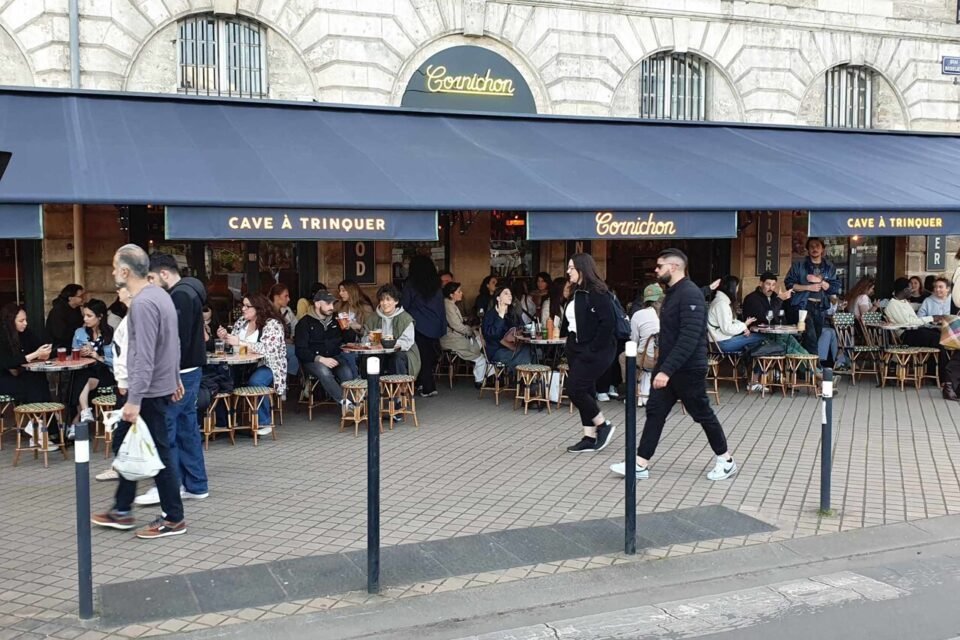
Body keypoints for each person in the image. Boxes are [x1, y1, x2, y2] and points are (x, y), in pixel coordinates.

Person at [611, 248, 737, 482]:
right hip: (670, 366)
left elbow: (689, 337)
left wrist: (666, 370)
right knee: (655, 412)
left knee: (702, 413)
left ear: (675, 267)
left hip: (687, 369)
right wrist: (663, 368)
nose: (656, 270)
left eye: (660, 266)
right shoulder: (676, 293)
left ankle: (726, 460)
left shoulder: (688, 294)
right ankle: (640, 463)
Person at [92, 244, 186, 539]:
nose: (111, 272)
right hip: (157, 386)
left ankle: (173, 518)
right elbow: (172, 343)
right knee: (135, 446)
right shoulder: (160, 295)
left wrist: (133, 399)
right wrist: (174, 379)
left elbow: (144, 355)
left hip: (147, 391)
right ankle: (122, 509)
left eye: (113, 267)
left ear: (124, 271)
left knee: (157, 453)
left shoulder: (143, 303)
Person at [130, 253, 209, 506]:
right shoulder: (191, 291)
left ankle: (168, 486)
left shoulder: (179, 296)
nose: (149, 285)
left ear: (164, 274)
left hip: (179, 372)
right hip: (191, 369)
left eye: (151, 278)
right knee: (187, 430)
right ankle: (196, 485)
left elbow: (176, 341)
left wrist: (172, 375)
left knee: (167, 432)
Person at [561, 253, 618, 453]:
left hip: (594, 350)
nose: (568, 271)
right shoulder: (578, 290)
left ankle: (603, 425)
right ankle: (589, 436)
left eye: (571, 268)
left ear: (582, 269)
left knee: (574, 389)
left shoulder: (597, 291)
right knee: (585, 391)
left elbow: (608, 323)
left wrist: (593, 348)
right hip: (577, 348)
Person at [217, 294, 287, 436]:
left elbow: (269, 349)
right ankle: (227, 422)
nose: (243, 309)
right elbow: (235, 346)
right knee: (223, 378)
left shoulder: (272, 324)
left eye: (247, 306)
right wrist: (225, 338)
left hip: (268, 365)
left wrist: (240, 342)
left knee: (256, 381)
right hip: (242, 364)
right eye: (242, 305)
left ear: (258, 308)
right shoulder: (241, 322)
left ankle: (263, 421)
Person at [0, 303, 57, 450]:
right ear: (10, 321)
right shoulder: (2, 336)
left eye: (25, 320)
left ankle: (40, 430)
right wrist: (34, 355)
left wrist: (46, 351)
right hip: (3, 379)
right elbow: (7, 362)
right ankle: (38, 431)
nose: (25, 323)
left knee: (39, 381)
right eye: (21, 320)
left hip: (20, 376)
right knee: (33, 386)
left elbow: (39, 346)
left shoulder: (26, 333)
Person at [295, 290, 356, 409]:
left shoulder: (336, 320)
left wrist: (347, 328)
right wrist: (320, 359)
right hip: (313, 360)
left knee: (347, 373)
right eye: (328, 304)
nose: (331, 307)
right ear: (317, 304)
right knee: (324, 372)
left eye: (333, 304)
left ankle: (351, 409)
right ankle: (347, 405)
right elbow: (300, 350)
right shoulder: (304, 323)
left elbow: (349, 340)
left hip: (335, 357)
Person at [95, 284, 132, 482]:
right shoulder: (130, 318)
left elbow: (127, 353)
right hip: (129, 382)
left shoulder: (136, 318)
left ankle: (120, 467)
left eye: (121, 287)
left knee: (125, 427)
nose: (117, 290)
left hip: (133, 383)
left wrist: (124, 380)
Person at [784, 237, 841, 355]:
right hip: (803, 306)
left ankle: (804, 368)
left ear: (823, 250)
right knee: (811, 338)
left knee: (815, 337)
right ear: (808, 250)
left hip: (821, 306)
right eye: (811, 247)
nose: (815, 249)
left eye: (817, 246)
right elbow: (789, 284)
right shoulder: (799, 265)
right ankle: (815, 369)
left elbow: (834, 288)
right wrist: (808, 287)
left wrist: (820, 281)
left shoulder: (829, 267)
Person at [400, 256, 445, 398]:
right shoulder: (436, 284)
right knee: (429, 357)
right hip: (435, 325)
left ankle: (428, 387)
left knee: (421, 357)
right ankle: (424, 384)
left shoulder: (411, 284)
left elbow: (404, 305)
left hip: (418, 324)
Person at [70, 299, 115, 435]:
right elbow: (73, 356)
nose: (85, 319)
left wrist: (97, 356)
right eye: (84, 315)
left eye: (89, 316)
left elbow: (116, 361)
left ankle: (76, 422)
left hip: (105, 371)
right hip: (85, 371)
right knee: (81, 376)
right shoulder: (80, 332)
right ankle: (84, 412)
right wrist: (80, 353)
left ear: (100, 316)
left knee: (78, 381)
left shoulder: (111, 333)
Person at [365, 284, 421, 383]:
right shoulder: (372, 318)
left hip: (403, 352)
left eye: (388, 299)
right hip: (379, 352)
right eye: (382, 300)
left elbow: (407, 342)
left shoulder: (405, 318)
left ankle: (400, 391)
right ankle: (372, 390)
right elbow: (363, 339)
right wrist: (368, 339)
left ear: (396, 301)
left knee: (396, 358)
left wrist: (389, 342)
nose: (384, 303)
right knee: (371, 358)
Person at [619, 284, 662, 406]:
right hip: (665, 359)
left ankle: (631, 392)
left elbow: (633, 340)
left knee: (623, 357)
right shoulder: (667, 314)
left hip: (646, 359)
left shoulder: (638, 315)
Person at [440, 281, 488, 388]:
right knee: (481, 354)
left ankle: (483, 376)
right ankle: (480, 380)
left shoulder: (450, 304)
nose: (461, 293)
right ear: (451, 295)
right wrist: (470, 330)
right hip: (452, 340)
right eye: (459, 291)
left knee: (481, 342)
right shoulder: (448, 306)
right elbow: (456, 325)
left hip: (455, 337)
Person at [481, 286, 532, 372]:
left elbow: (523, 328)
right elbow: (492, 335)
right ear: (498, 298)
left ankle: (524, 378)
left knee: (530, 350)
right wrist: (500, 316)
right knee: (526, 354)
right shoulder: (491, 315)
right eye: (506, 293)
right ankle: (525, 379)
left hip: (515, 347)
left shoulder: (513, 313)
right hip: (497, 351)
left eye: (510, 293)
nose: (510, 296)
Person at [269, 282, 299, 378]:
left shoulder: (287, 310)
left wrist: (294, 338)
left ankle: (287, 379)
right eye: (286, 296)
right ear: (277, 297)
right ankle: (287, 380)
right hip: (273, 347)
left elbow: (296, 326)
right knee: (298, 352)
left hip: (288, 345)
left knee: (300, 351)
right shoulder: (266, 312)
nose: (289, 299)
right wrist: (285, 340)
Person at [45, 283, 85, 349]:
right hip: (59, 348)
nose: (83, 298)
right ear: (70, 298)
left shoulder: (76, 308)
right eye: (80, 296)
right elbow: (60, 334)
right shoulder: (58, 311)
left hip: (73, 344)